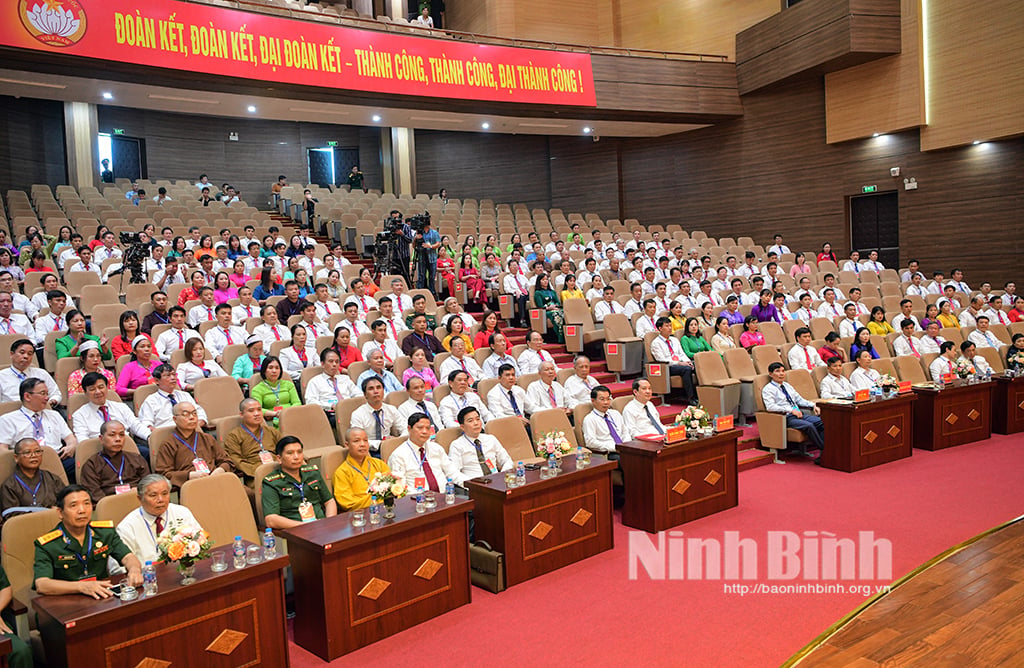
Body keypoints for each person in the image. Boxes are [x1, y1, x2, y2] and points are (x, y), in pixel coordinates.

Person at [34, 484, 143, 599]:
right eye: (73, 505)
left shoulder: (105, 533)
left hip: (102, 597)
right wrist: (81, 587)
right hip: (67, 601)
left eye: (86, 504)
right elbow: (42, 584)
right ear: (60, 513)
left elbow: (127, 557)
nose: (82, 510)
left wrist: (134, 570)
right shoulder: (48, 544)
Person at [0, 378, 78, 479]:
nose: (47, 398)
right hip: (29, 464)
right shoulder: (8, 419)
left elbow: (70, 438)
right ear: (27, 396)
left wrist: (71, 446)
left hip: (58, 459)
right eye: (43, 393)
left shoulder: (54, 415)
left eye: (47, 393)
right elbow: (2, 449)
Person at [116, 474, 201, 565]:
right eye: (153, 495)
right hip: (146, 576)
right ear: (140, 499)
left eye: (165, 494)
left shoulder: (182, 513)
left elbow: (201, 541)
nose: (161, 499)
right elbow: (117, 567)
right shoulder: (127, 526)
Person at [260, 436, 337, 528]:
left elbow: (329, 501)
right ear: (279, 458)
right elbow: (271, 520)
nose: (296, 457)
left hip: (322, 526)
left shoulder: (312, 473)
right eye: (290, 453)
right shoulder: (272, 482)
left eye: (299, 452)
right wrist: (305, 526)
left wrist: (329, 522)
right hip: (296, 530)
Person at [154, 402, 233, 490]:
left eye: (194, 413)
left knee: (247, 494)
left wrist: (220, 470)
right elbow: (163, 474)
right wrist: (189, 475)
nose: (192, 417)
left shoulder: (207, 438)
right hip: (191, 487)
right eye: (185, 414)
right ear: (175, 419)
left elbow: (227, 461)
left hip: (216, 480)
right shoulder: (168, 444)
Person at [71, 373, 152, 458]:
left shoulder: (120, 407)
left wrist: (149, 436)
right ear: (85, 393)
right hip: (100, 452)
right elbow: (82, 440)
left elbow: (136, 425)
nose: (98, 392)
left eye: (101, 387)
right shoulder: (79, 415)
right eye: (92, 389)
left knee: (146, 453)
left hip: (126, 446)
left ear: (107, 388)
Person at [761, 363, 825, 461]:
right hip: (785, 417)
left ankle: (824, 451)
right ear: (770, 374)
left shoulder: (787, 385)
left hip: (799, 413)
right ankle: (825, 450)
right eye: (777, 371)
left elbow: (799, 400)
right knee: (809, 426)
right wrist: (791, 410)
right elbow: (770, 407)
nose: (781, 374)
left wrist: (813, 405)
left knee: (821, 422)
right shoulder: (768, 389)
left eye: (783, 371)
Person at [78, 420, 150, 504]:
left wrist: (138, 492)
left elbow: (148, 484)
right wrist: (115, 502)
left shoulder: (136, 459)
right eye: (112, 435)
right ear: (101, 439)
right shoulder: (92, 464)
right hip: (110, 505)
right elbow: (94, 494)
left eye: (122, 435)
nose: (118, 439)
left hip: (138, 501)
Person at [387, 413, 460, 493]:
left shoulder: (436, 448)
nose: (425, 431)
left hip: (445, 496)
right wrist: (422, 496)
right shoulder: (399, 455)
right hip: (417, 500)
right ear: (409, 429)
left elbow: (452, 472)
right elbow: (400, 486)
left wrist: (470, 484)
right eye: (420, 428)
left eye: (428, 428)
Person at [447, 406, 514, 485]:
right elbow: (454, 473)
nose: (476, 423)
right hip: (475, 485)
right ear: (462, 427)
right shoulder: (457, 445)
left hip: (497, 482)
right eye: (470, 421)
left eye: (478, 419)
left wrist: (502, 476)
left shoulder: (491, 439)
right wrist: (473, 484)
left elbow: (507, 460)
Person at [333, 428, 390, 511]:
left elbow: (392, 487)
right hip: (360, 515)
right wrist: (379, 498)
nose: (362, 444)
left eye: (365, 440)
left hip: (385, 509)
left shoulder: (379, 464)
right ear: (347, 445)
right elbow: (348, 504)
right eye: (357, 441)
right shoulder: (342, 472)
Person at [137, 364, 208, 429]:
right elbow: (146, 423)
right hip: (166, 435)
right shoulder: (151, 400)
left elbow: (200, 413)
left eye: (174, 374)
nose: (173, 378)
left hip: (191, 430)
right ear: (157, 380)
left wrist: (196, 426)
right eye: (168, 375)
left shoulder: (184, 395)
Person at [0, 438, 61, 514]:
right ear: (16, 458)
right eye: (27, 452)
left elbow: (67, 502)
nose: (34, 455)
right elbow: (10, 516)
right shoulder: (9, 486)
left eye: (37, 451)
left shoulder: (52, 479)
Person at [351, 376, 405, 455]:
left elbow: (405, 429)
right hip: (369, 451)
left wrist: (396, 440)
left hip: (391, 447)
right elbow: (358, 440)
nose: (376, 391)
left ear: (383, 391)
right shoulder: (358, 414)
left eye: (379, 387)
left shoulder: (391, 409)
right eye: (371, 389)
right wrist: (380, 444)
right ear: (365, 394)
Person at [650, 317, 697, 404]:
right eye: (667, 326)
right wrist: (679, 363)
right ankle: (690, 398)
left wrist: (688, 361)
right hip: (667, 367)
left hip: (679, 363)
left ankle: (699, 394)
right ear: (660, 328)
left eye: (670, 325)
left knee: (696, 365)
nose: (670, 328)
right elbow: (662, 360)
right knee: (686, 369)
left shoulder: (674, 340)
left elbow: (681, 353)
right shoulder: (656, 343)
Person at [581, 385, 630, 457]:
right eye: (602, 399)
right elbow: (590, 442)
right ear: (593, 401)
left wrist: (626, 445)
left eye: (608, 399)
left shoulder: (615, 413)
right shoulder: (590, 419)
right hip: (609, 453)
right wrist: (613, 447)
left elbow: (625, 432)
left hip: (625, 449)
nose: (606, 402)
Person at [115, 335, 160, 400]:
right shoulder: (129, 367)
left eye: (149, 346)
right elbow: (119, 389)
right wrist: (139, 391)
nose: (147, 349)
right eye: (142, 347)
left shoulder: (158, 364)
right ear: (134, 351)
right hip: (141, 400)